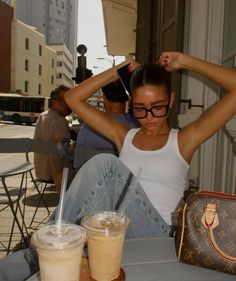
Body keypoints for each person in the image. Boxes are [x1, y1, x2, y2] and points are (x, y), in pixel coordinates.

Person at [1, 51, 236, 281]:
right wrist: (117, 71)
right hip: (116, 228)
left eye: (158, 106)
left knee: (106, 165)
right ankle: (48, 249)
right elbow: (72, 98)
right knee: (9, 266)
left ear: (171, 100)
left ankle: (44, 248)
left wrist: (185, 61)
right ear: (132, 104)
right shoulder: (125, 136)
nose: (149, 116)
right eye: (140, 108)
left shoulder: (184, 140)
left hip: (159, 233)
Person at [74, 80, 139, 169]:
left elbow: (78, 163)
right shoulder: (136, 127)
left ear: (104, 97)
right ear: (126, 99)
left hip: (92, 179)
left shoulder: (88, 127)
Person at [33, 85, 73, 192]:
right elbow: (64, 154)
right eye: (66, 101)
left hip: (40, 171)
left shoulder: (42, 115)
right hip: (54, 174)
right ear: (55, 103)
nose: (71, 104)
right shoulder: (61, 121)